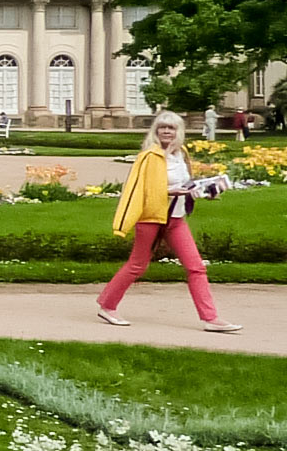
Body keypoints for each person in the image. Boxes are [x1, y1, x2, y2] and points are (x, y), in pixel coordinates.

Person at [98, 110, 240, 332]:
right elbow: (140, 189)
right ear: (155, 131)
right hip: (151, 218)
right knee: (137, 265)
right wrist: (169, 191)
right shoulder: (149, 156)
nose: (166, 131)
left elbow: (187, 184)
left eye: (171, 128)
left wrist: (205, 190)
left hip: (175, 219)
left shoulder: (180, 154)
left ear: (178, 132)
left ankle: (210, 318)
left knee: (196, 267)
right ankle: (107, 305)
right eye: (162, 127)